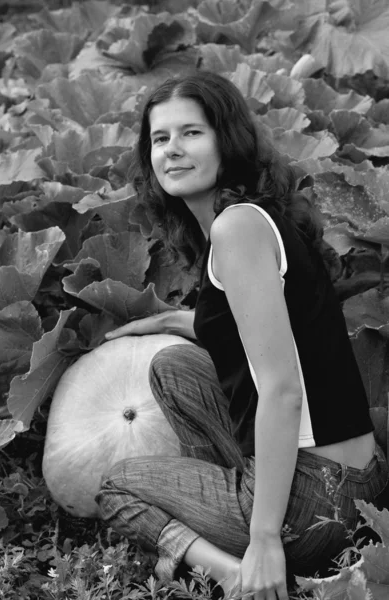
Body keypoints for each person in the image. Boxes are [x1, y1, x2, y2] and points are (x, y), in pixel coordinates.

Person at [95, 71, 388, 599]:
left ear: (226, 141)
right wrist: (162, 321)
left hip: (318, 500)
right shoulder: (252, 217)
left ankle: (244, 572)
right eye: (160, 139)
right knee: (173, 365)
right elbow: (256, 326)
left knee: (117, 487)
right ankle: (236, 515)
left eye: (191, 133)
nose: (172, 151)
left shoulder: (236, 228)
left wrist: (266, 536)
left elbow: (281, 388)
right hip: (352, 474)